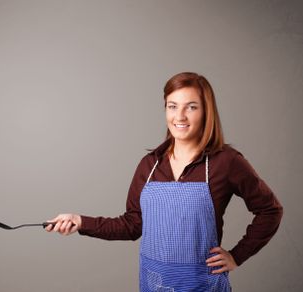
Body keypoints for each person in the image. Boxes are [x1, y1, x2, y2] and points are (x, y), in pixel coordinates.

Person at [45, 72, 283, 291]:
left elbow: (270, 210)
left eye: (191, 107)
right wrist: (79, 221)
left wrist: (237, 256)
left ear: (206, 111)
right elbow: (132, 225)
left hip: (202, 284)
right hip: (153, 283)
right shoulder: (150, 165)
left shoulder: (226, 162)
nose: (179, 116)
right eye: (172, 106)